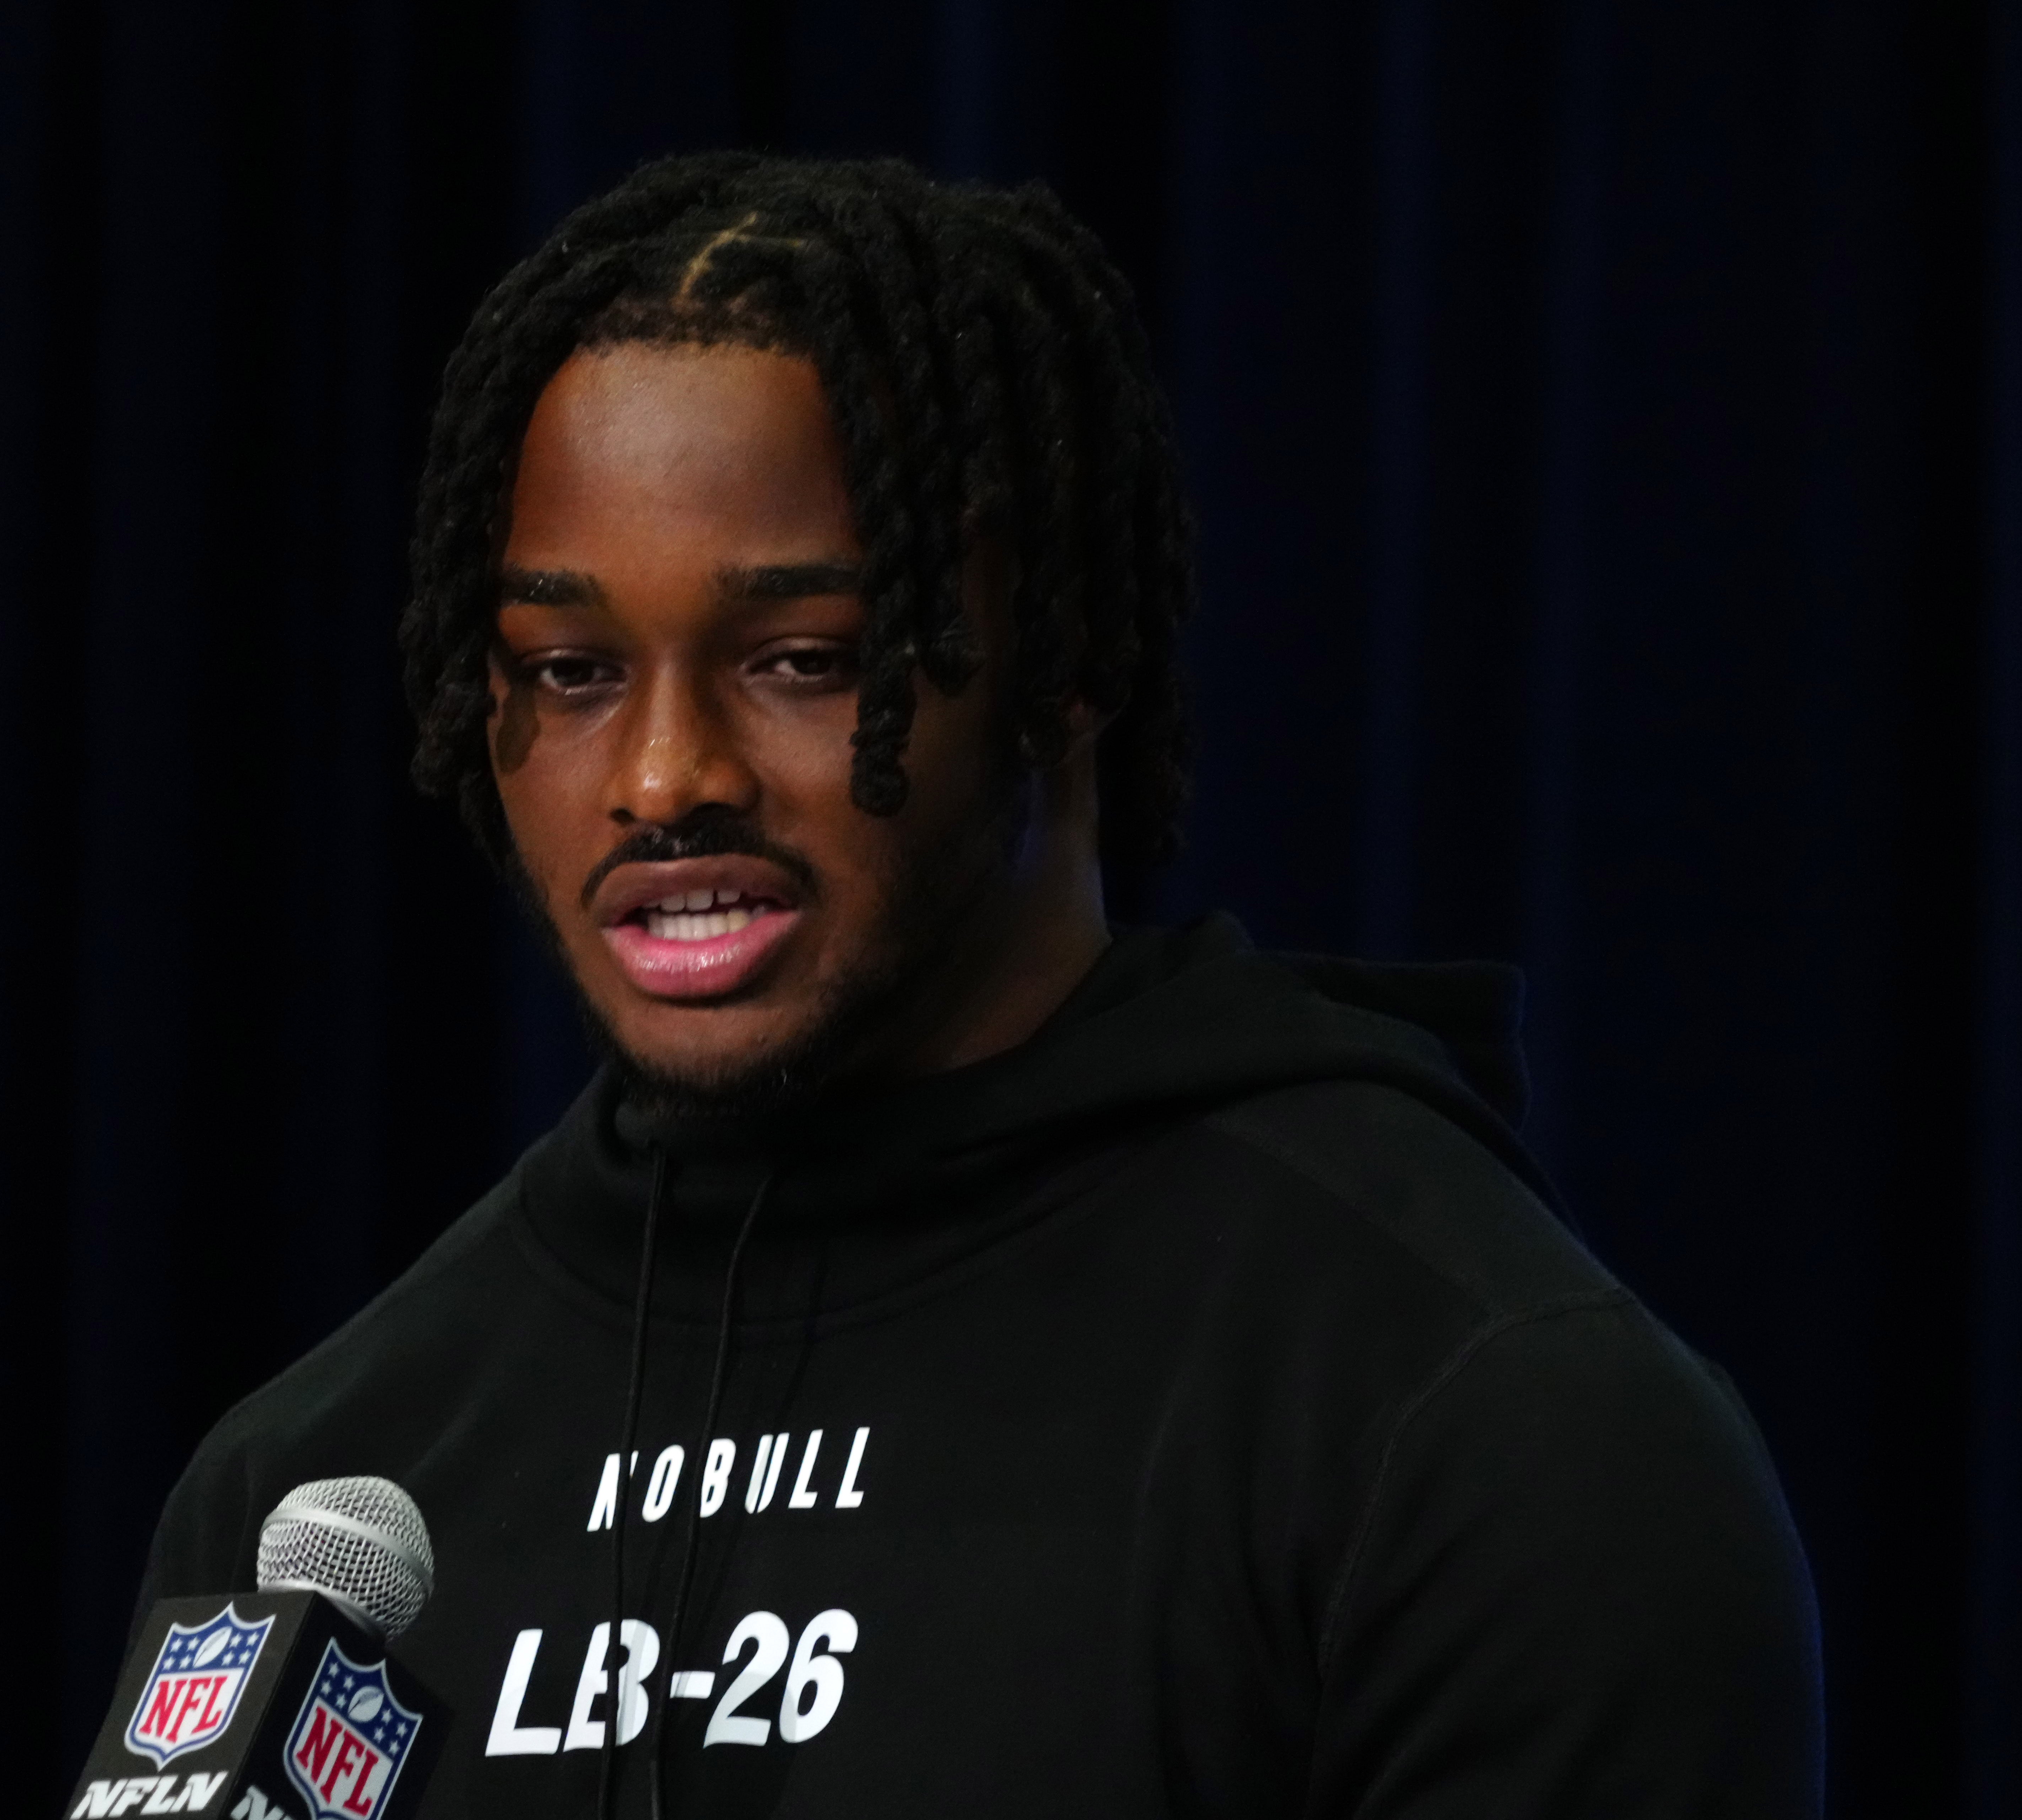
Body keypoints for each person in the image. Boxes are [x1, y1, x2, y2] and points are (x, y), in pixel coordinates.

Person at [132, 152, 1821, 1817]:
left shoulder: (1476, 1420)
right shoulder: (323, 1487)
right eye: (569, 672)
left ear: (1061, 666)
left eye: (803, 661)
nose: (660, 778)